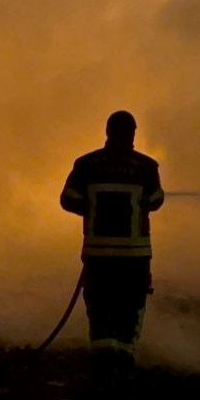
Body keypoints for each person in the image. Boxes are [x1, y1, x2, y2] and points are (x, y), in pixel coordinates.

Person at [59, 110, 164, 359]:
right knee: (131, 305)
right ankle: (124, 360)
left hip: (98, 254)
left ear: (107, 131)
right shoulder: (147, 167)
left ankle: (102, 363)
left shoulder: (86, 164)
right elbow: (155, 200)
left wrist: (91, 207)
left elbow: (68, 200)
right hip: (135, 256)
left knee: (99, 306)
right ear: (132, 133)